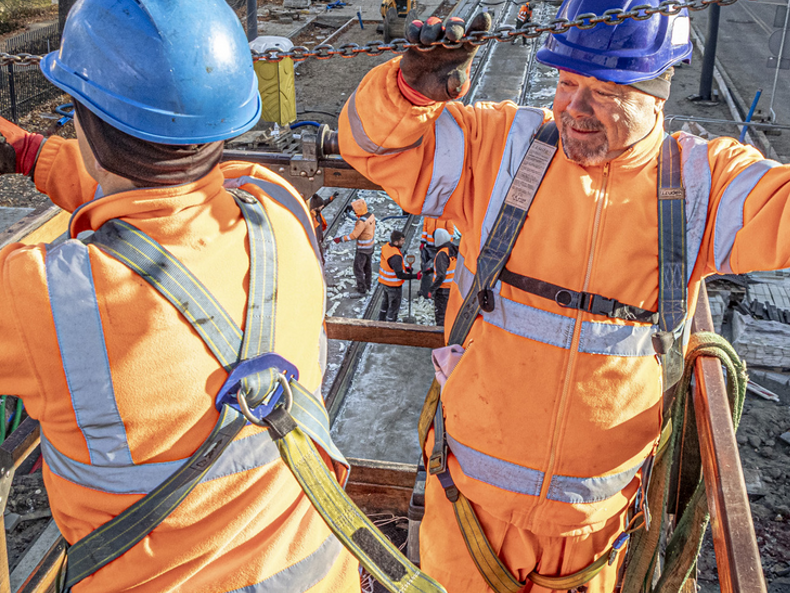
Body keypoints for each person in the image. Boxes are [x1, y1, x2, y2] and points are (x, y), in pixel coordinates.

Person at [0, 0, 360, 591]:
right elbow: (169, 199)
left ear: (85, 120)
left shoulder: (55, 297)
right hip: (319, 570)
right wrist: (31, 153)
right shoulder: (278, 209)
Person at [338, 0, 790, 590]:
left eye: (604, 92)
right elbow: (374, 146)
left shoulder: (703, 185)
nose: (574, 108)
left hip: (595, 532)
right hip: (469, 505)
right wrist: (407, 90)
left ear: (657, 93)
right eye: (567, 81)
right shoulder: (499, 148)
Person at [332, 198, 376, 295]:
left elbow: (354, 235)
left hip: (362, 249)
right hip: (370, 247)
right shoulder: (371, 216)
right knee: (367, 268)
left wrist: (340, 239)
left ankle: (362, 289)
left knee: (358, 268)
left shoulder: (361, 222)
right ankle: (368, 285)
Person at [378, 230, 421, 322]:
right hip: (394, 286)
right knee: (393, 308)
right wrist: (415, 276)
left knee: (385, 303)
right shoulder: (395, 256)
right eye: (402, 240)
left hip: (385, 283)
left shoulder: (386, 248)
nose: (403, 242)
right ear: (396, 242)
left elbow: (391, 265)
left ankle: (380, 321)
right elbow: (400, 275)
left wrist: (406, 268)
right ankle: (391, 325)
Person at [419, 216, 457, 298]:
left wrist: (447, 245)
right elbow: (425, 226)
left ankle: (432, 290)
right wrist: (423, 240)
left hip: (440, 246)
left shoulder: (447, 216)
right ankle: (424, 290)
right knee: (426, 268)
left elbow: (450, 230)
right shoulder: (429, 214)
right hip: (430, 245)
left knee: (439, 268)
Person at [429, 228, 457, 327]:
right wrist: (432, 270)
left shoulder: (442, 254)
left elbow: (441, 275)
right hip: (453, 288)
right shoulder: (452, 249)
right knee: (451, 314)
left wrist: (432, 289)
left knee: (441, 315)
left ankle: (441, 335)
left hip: (443, 290)